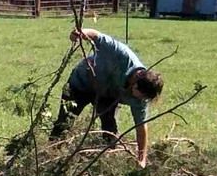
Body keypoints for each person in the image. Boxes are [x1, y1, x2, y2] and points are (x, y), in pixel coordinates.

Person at [50, 28, 165, 167]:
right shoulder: (121, 54)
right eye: (136, 94)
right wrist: (81, 33)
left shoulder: (141, 98)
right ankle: (51, 155)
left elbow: (141, 127)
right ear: (136, 79)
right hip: (80, 83)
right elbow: (97, 36)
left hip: (107, 94)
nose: (136, 99)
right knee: (64, 122)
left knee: (109, 130)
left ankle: (107, 163)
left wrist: (142, 159)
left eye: (141, 98)